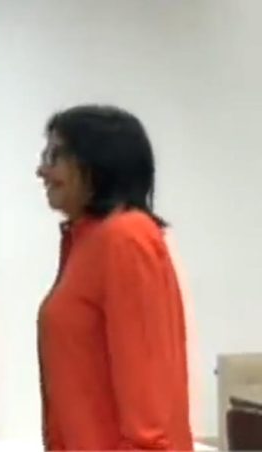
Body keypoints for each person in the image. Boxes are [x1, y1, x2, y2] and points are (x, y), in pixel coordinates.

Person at [35, 105, 193, 450]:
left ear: (96, 163)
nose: (41, 170)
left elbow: (148, 413)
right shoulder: (86, 241)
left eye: (55, 156)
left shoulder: (126, 238)